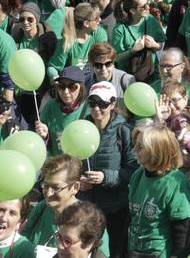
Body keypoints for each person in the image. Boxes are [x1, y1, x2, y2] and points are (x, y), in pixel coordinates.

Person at [78, 82, 136, 257]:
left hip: (115, 209)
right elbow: (71, 163)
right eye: (93, 103)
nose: (97, 108)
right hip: (88, 208)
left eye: (102, 104)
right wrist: (78, 179)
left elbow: (134, 171)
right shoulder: (81, 128)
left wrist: (105, 177)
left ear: (112, 104)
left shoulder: (124, 130)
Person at [126, 125, 190, 258]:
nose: (134, 150)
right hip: (134, 251)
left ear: (156, 150)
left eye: (140, 147)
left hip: (159, 253)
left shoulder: (175, 182)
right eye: (135, 145)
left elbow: (182, 229)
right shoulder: (138, 174)